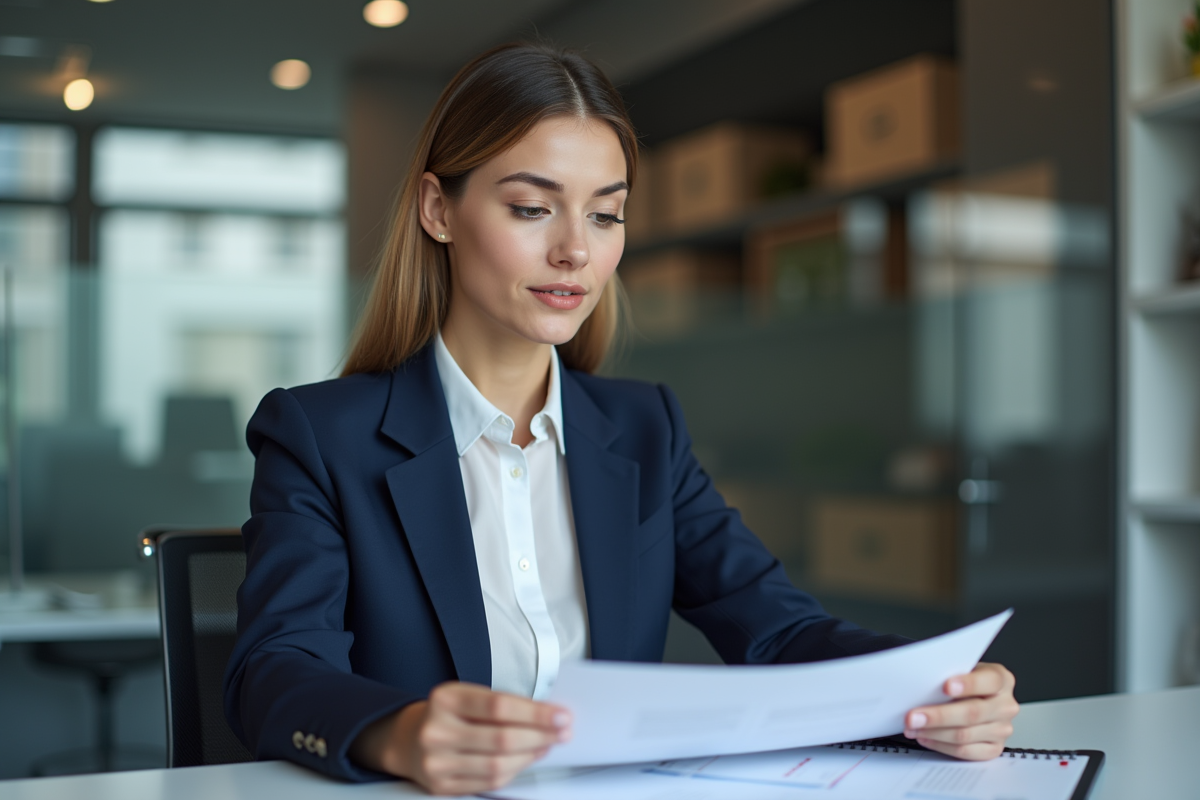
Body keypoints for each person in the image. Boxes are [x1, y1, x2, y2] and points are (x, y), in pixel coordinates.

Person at [223, 42, 1019, 797]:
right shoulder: (319, 435)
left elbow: (776, 631)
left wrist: (933, 690)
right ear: (438, 209)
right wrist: (397, 733)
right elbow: (276, 668)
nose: (576, 250)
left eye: (606, 216)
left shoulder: (646, 428)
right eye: (533, 208)